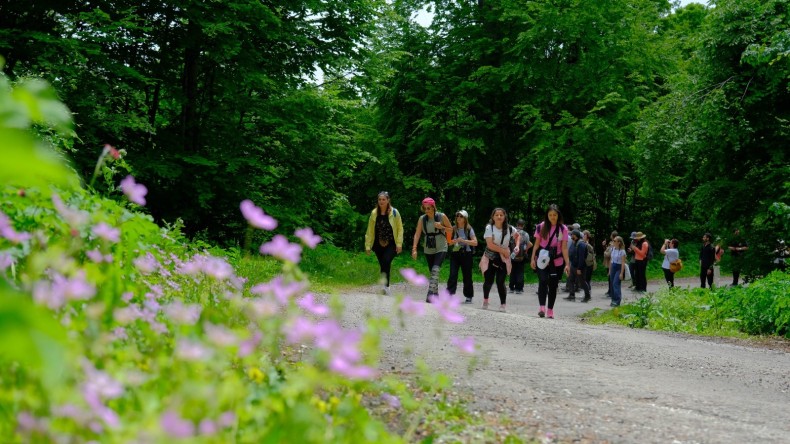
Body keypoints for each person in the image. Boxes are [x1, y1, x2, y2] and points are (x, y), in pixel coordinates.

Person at [529, 204, 570, 319]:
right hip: (542, 259)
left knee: (553, 285)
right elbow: (536, 244)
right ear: (547, 215)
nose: (552, 217)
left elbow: (564, 248)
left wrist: (567, 264)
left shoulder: (563, 229)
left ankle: (550, 309)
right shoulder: (541, 227)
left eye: (554, 215)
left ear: (558, 215)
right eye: (550, 215)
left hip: (557, 261)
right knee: (542, 281)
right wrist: (532, 258)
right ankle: (542, 307)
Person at [411, 197, 453, 302]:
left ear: (433, 207)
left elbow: (451, 230)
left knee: (435, 269)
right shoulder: (422, 219)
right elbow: (417, 234)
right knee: (432, 272)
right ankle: (436, 294)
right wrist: (414, 248)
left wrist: (441, 227)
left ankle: (430, 294)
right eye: (425, 208)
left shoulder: (441, 216)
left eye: (428, 208)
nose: (427, 210)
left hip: (441, 246)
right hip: (428, 247)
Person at [480, 208, 520, 312]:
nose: (499, 217)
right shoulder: (489, 228)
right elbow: (490, 244)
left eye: (501, 215)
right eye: (496, 215)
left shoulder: (510, 228)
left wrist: (517, 246)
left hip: (504, 258)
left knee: (500, 282)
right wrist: (503, 251)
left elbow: (517, 236)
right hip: (491, 256)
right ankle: (485, 300)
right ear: (493, 217)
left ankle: (503, 304)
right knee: (488, 280)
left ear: (504, 216)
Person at [364, 191, 403, 295]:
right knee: (383, 264)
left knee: (386, 261)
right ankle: (384, 287)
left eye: (383, 199)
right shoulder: (374, 213)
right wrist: (368, 245)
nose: (381, 201)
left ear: (388, 200)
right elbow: (370, 230)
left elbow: (400, 228)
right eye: (379, 199)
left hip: (391, 243)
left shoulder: (394, 213)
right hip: (377, 244)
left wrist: (399, 244)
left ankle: (386, 286)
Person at [447, 210, 478, 304]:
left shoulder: (469, 229)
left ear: (465, 218)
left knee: (467, 276)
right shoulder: (453, 228)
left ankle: (469, 295)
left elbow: (475, 242)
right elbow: (448, 243)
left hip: (466, 254)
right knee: (452, 274)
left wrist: (464, 241)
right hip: (455, 254)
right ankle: (449, 295)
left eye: (461, 216)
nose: (458, 218)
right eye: (457, 216)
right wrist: (455, 241)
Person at [566, 230, 591, 302]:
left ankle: (587, 296)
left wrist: (579, 268)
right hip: (573, 265)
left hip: (579, 267)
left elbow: (581, 258)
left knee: (582, 282)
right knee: (570, 279)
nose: (571, 236)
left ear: (576, 235)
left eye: (572, 235)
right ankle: (572, 295)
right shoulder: (574, 243)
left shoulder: (581, 244)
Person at [508, 219, 533, 294]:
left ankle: (511, 288)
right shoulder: (525, 234)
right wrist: (525, 250)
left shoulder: (512, 232)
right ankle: (519, 289)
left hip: (512, 256)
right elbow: (530, 244)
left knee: (512, 271)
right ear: (523, 225)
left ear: (517, 224)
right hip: (521, 257)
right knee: (520, 272)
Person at [609, 236, 627, 307]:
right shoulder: (613, 249)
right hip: (613, 266)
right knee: (612, 283)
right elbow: (611, 260)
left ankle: (617, 300)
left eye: (614, 241)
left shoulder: (622, 251)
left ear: (619, 242)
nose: (613, 242)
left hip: (619, 267)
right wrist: (609, 270)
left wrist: (621, 273)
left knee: (616, 283)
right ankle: (613, 299)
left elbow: (623, 263)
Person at [563, 222, 581, 293]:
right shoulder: (575, 238)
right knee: (572, 273)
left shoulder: (570, 238)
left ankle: (570, 288)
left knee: (570, 273)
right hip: (571, 257)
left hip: (570, 258)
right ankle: (573, 288)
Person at [602, 231, 617, 298]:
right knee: (609, 278)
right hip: (608, 262)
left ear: (613, 236)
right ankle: (609, 290)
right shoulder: (611, 243)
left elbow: (609, 254)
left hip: (610, 263)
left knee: (611, 278)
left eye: (611, 235)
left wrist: (604, 253)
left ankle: (611, 292)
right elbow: (607, 250)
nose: (610, 236)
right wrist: (604, 246)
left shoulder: (613, 244)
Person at [582, 230, 595, 296]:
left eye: (584, 235)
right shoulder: (583, 242)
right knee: (585, 279)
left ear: (587, 236)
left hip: (589, 263)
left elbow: (592, 250)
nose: (583, 236)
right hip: (585, 263)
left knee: (587, 279)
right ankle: (587, 292)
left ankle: (588, 293)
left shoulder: (589, 243)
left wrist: (586, 244)